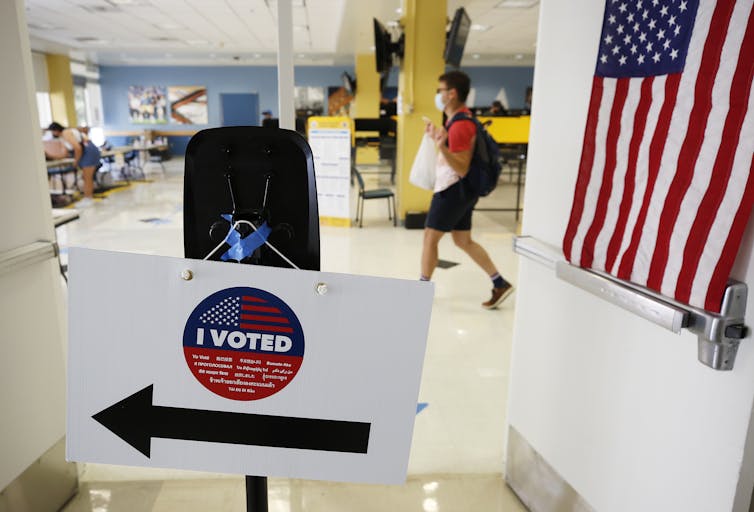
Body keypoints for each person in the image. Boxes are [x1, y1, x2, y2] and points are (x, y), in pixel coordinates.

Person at [421, 71, 513, 309]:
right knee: (463, 240)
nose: (438, 95)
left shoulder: (461, 124)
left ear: (451, 94)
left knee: (430, 238)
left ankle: (420, 291)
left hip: (453, 189)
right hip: (461, 190)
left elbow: (461, 167)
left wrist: (442, 147)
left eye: (440, 91)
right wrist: (438, 138)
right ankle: (499, 282)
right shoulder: (458, 119)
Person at [48, 122, 101, 207]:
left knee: (87, 177)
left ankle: (88, 199)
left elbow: (78, 148)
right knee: (86, 177)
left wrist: (76, 161)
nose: (52, 134)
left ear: (56, 130)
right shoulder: (62, 137)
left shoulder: (66, 132)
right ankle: (88, 198)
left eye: (52, 132)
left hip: (88, 151)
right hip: (86, 151)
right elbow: (65, 153)